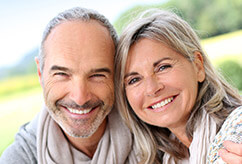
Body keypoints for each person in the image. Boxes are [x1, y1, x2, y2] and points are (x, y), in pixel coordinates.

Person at [0, 7, 138, 163]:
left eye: (97, 75)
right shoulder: (20, 158)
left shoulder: (152, 137)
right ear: (40, 73)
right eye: (62, 74)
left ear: (117, 75)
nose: (80, 98)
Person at [115, 9, 242, 164]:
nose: (152, 89)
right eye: (134, 80)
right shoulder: (156, 157)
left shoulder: (237, 131)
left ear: (198, 66)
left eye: (163, 67)